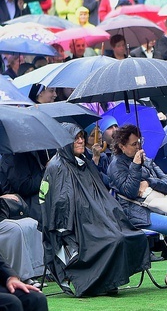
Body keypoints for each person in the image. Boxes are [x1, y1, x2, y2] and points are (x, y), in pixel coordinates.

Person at [41, 124, 150, 296]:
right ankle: (103, 282)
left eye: (81, 137)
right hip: (76, 226)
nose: (80, 140)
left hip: (96, 218)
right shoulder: (56, 167)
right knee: (115, 240)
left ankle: (108, 280)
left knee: (130, 235)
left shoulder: (84, 161)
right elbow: (60, 207)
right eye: (75, 138)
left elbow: (100, 190)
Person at [108, 125, 167, 289]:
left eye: (139, 142)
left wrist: (150, 182)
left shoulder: (147, 160)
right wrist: (136, 166)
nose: (138, 147)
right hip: (134, 213)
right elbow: (130, 192)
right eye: (133, 144)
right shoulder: (116, 165)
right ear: (121, 146)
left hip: (157, 206)